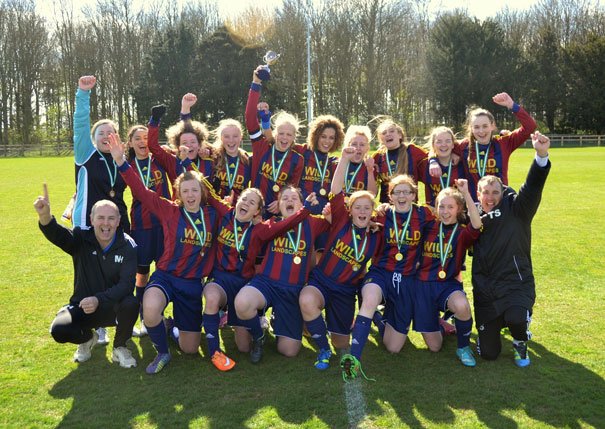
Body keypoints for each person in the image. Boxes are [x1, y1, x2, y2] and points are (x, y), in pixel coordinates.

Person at [108, 134, 218, 375]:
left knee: (190, 348)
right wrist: (121, 162)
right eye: (185, 191)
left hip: (191, 284)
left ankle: (169, 327)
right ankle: (163, 351)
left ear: (202, 192)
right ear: (178, 193)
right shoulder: (169, 210)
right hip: (166, 276)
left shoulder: (213, 215)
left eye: (195, 191)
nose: (190, 195)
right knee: (149, 308)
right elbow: (141, 190)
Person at [340, 174, 434, 380]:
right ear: (389, 196)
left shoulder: (425, 214)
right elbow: (355, 216)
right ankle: (353, 360)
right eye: (396, 192)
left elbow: (443, 223)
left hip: (407, 278)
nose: (401, 196)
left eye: (406, 192)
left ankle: (379, 319)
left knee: (394, 347)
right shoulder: (381, 214)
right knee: (370, 298)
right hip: (381, 273)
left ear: (413, 195)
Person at [36, 185, 138, 368]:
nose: (105, 223)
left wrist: (98, 299)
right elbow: (59, 235)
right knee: (59, 329)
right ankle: (88, 338)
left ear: (118, 221)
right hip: (83, 307)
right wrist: (45, 217)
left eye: (110, 218)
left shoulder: (128, 246)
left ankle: (120, 347)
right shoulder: (81, 239)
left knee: (131, 303)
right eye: (100, 218)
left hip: (112, 307)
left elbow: (126, 285)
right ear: (91, 220)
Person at [472, 131, 551, 367]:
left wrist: (541, 155)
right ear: (478, 195)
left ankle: (519, 339)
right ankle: (496, 330)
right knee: (488, 354)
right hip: (486, 289)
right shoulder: (472, 218)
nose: (490, 197)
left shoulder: (518, 210)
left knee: (516, 318)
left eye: (495, 192)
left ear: (503, 191)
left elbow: (532, 187)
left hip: (515, 283)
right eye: (485, 192)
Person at [299, 149, 382, 372]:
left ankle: (320, 328)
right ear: (350, 210)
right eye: (357, 207)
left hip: (345, 290)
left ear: (372, 211)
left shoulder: (377, 233)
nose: (362, 211)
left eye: (367, 208)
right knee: (307, 300)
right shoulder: (340, 221)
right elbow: (336, 190)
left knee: (342, 343)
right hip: (323, 280)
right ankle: (323, 348)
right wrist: (344, 159)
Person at [234, 187, 329, 362]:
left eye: (294, 198)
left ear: (302, 204)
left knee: (289, 350)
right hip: (266, 284)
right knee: (242, 306)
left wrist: (331, 214)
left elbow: (339, 222)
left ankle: (279, 319)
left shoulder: (313, 223)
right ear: (278, 205)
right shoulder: (270, 224)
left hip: (292, 291)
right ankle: (258, 337)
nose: (289, 201)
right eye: (284, 198)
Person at [72, 75, 130, 346]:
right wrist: (84, 95)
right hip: (87, 225)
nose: (106, 136)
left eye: (111, 132)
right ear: (93, 138)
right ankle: (92, 328)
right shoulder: (85, 153)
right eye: (101, 133)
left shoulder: (120, 159)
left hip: (116, 224)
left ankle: (110, 321)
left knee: (114, 275)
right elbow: (80, 125)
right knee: (88, 278)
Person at [414, 179, 482, 367]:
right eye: (441, 206)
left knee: (462, 306)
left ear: (459, 209)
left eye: (450, 207)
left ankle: (463, 347)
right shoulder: (427, 226)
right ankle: (441, 324)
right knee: (435, 347)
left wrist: (466, 193)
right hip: (423, 286)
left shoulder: (461, 232)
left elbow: (476, 224)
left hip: (447, 285)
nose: (445, 211)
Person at [124, 125, 172, 336]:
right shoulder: (127, 165)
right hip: (141, 227)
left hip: (165, 226)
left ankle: (161, 315)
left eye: (146, 137)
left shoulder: (160, 158)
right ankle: (145, 318)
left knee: (165, 271)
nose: (143, 142)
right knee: (141, 274)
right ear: (131, 143)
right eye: (137, 138)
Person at [457, 92, 537, 201]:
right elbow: (439, 149)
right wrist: (436, 160)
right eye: (476, 127)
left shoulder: (504, 143)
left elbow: (530, 126)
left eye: (485, 126)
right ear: (471, 128)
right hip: (474, 206)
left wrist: (512, 105)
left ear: (492, 126)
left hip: (500, 205)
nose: (481, 131)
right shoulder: (463, 146)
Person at [247, 66, 304, 217]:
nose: (284, 138)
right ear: (275, 133)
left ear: (294, 137)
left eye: (289, 134)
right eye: (281, 133)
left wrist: (280, 202)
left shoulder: (297, 160)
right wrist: (256, 84)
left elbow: (292, 190)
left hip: (276, 214)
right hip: (254, 211)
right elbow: (249, 118)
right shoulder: (262, 147)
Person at [372, 119, 428, 203]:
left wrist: (455, 153)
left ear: (400, 135)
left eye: (391, 131)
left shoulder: (412, 150)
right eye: (384, 133)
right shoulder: (378, 156)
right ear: (381, 140)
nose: (388, 134)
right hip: (387, 208)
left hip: (409, 207)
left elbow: (435, 154)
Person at [417, 126, 467, 208]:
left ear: (453, 145)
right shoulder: (424, 164)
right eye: (439, 141)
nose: (443, 145)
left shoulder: (462, 162)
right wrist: (432, 160)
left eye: (448, 141)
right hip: (434, 215)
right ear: (433, 145)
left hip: (459, 214)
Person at [208, 119, 251, 201]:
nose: (231, 140)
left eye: (235, 136)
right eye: (226, 136)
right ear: (221, 138)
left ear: (241, 137)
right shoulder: (213, 156)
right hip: (216, 208)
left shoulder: (247, 160)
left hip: (239, 209)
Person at [339, 126, 377, 198]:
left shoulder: (370, 167)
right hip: (339, 207)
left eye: (362, 145)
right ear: (348, 145)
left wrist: (370, 171)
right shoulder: (339, 164)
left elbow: (373, 195)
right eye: (354, 144)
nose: (358, 148)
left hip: (360, 208)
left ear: (367, 148)